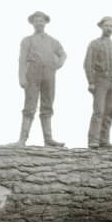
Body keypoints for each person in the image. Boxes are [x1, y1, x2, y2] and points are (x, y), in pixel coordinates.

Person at [13, 11, 67, 147]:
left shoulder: (53, 41)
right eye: (36, 20)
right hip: (33, 73)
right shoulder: (27, 40)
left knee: (47, 104)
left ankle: (48, 139)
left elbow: (63, 54)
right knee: (30, 105)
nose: (39, 23)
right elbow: (22, 59)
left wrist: (58, 64)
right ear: (32, 23)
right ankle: (22, 139)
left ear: (45, 22)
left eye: (41, 20)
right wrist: (21, 77)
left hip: (49, 73)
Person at [84, 16, 112, 149]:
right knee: (98, 111)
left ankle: (104, 140)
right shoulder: (94, 44)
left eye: (111, 26)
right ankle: (93, 140)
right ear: (101, 27)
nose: (109, 28)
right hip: (100, 80)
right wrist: (91, 82)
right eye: (106, 25)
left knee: (110, 111)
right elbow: (88, 64)